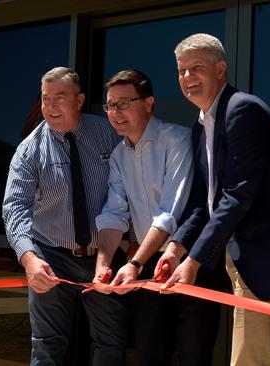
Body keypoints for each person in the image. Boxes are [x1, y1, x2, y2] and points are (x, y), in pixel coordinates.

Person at [159, 33, 270, 366]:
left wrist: (193, 262)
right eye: (181, 70)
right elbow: (203, 202)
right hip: (248, 262)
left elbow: (237, 195)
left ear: (220, 69)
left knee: (255, 361)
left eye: (197, 68)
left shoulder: (242, 110)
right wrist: (176, 248)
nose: (187, 77)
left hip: (266, 262)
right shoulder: (201, 124)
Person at [94, 69, 225, 366]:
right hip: (147, 265)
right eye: (110, 105)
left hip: (191, 260)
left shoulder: (178, 139)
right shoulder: (117, 156)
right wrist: (102, 265)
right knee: (149, 355)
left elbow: (172, 211)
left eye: (124, 103)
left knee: (195, 357)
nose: (115, 113)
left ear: (149, 103)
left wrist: (133, 263)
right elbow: (114, 215)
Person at [2, 66, 129, 366]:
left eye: (60, 97)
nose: (51, 106)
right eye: (46, 99)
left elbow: (130, 190)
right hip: (51, 257)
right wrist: (29, 258)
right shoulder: (29, 150)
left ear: (80, 100)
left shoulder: (108, 133)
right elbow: (14, 207)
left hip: (105, 257)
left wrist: (128, 246)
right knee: (47, 347)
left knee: (112, 344)